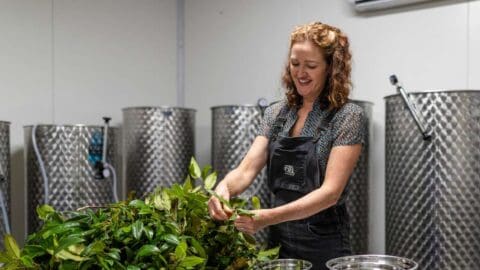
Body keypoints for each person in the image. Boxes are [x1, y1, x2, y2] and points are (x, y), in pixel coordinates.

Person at [208, 21, 366, 270]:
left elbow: (330, 193)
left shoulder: (347, 116)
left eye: (311, 66)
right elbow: (247, 169)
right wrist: (223, 189)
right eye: (295, 63)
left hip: (323, 241)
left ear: (330, 68)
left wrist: (267, 217)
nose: (300, 73)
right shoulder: (277, 113)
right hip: (279, 239)